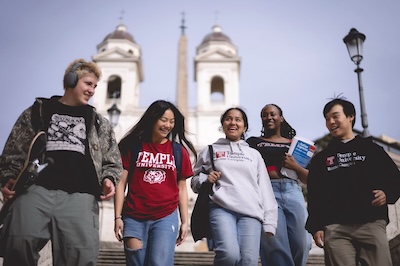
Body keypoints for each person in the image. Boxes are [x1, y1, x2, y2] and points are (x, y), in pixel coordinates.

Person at [0, 58, 123, 265]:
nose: (92, 90)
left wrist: (109, 178)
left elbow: (112, 159)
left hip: (81, 195)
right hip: (35, 190)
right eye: (88, 83)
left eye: (95, 86)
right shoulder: (39, 111)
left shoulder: (98, 122)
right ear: (71, 80)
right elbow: (16, 147)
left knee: (79, 256)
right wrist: (9, 176)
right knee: (18, 242)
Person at [305, 97, 400, 266]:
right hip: (335, 228)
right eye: (327, 118)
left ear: (351, 116)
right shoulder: (321, 159)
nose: (330, 122)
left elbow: (394, 178)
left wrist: (387, 193)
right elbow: (315, 195)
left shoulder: (372, 149)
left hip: (371, 223)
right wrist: (316, 227)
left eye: (335, 116)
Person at [191, 107, 278, 266]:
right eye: (228, 119)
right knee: (229, 254)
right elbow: (194, 181)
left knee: (248, 261)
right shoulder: (210, 150)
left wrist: (270, 221)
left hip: (251, 213)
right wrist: (206, 179)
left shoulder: (254, 154)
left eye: (238, 119)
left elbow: (264, 188)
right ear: (223, 124)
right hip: (221, 208)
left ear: (244, 127)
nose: (233, 122)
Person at [114, 100, 197, 266]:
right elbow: (121, 183)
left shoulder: (179, 152)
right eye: (163, 120)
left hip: (165, 217)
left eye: (171, 122)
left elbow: (182, 189)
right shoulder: (132, 147)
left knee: (159, 263)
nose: (167, 125)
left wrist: (185, 222)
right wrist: (117, 217)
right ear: (152, 119)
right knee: (135, 262)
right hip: (133, 217)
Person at [247, 103, 312, 266]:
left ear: (281, 118)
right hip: (266, 192)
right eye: (265, 115)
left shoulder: (295, 145)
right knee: (275, 242)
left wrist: (295, 166)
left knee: (303, 241)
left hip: (293, 191)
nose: (269, 117)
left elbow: (308, 178)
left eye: (273, 114)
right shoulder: (253, 142)